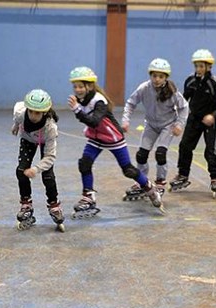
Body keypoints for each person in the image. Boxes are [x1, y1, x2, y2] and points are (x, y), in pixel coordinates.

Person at [67, 66, 163, 218]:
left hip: (112, 137)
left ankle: (150, 188)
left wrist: (77, 110)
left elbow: (94, 121)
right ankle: (88, 197)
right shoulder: (81, 99)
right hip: (95, 137)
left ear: (89, 85)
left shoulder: (99, 101)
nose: (77, 90)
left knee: (128, 170)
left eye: (80, 86)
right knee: (84, 163)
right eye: (75, 86)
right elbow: (89, 121)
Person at [120, 58, 188, 198]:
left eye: (161, 76)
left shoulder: (172, 91)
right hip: (151, 125)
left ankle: (160, 182)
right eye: (154, 76)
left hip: (167, 125)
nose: (157, 79)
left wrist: (179, 124)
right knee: (141, 155)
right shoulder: (144, 88)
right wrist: (126, 120)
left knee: (160, 153)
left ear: (166, 78)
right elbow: (130, 103)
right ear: (150, 75)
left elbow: (184, 107)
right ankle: (142, 181)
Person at [169, 49, 216, 197]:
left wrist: (213, 116)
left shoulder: (214, 83)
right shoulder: (190, 81)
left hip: (209, 122)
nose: (199, 69)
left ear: (209, 67)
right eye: (197, 66)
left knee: (210, 151)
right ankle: (183, 175)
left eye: (202, 66)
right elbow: (183, 101)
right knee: (185, 146)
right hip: (194, 119)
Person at [11, 89, 65, 232]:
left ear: (45, 112)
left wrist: (36, 168)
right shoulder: (20, 113)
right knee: (20, 171)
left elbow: (50, 157)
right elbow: (17, 117)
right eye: (31, 112)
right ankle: (26, 204)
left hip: (43, 140)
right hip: (28, 140)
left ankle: (54, 205)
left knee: (47, 175)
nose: (34, 116)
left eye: (38, 113)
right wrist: (15, 126)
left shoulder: (50, 128)